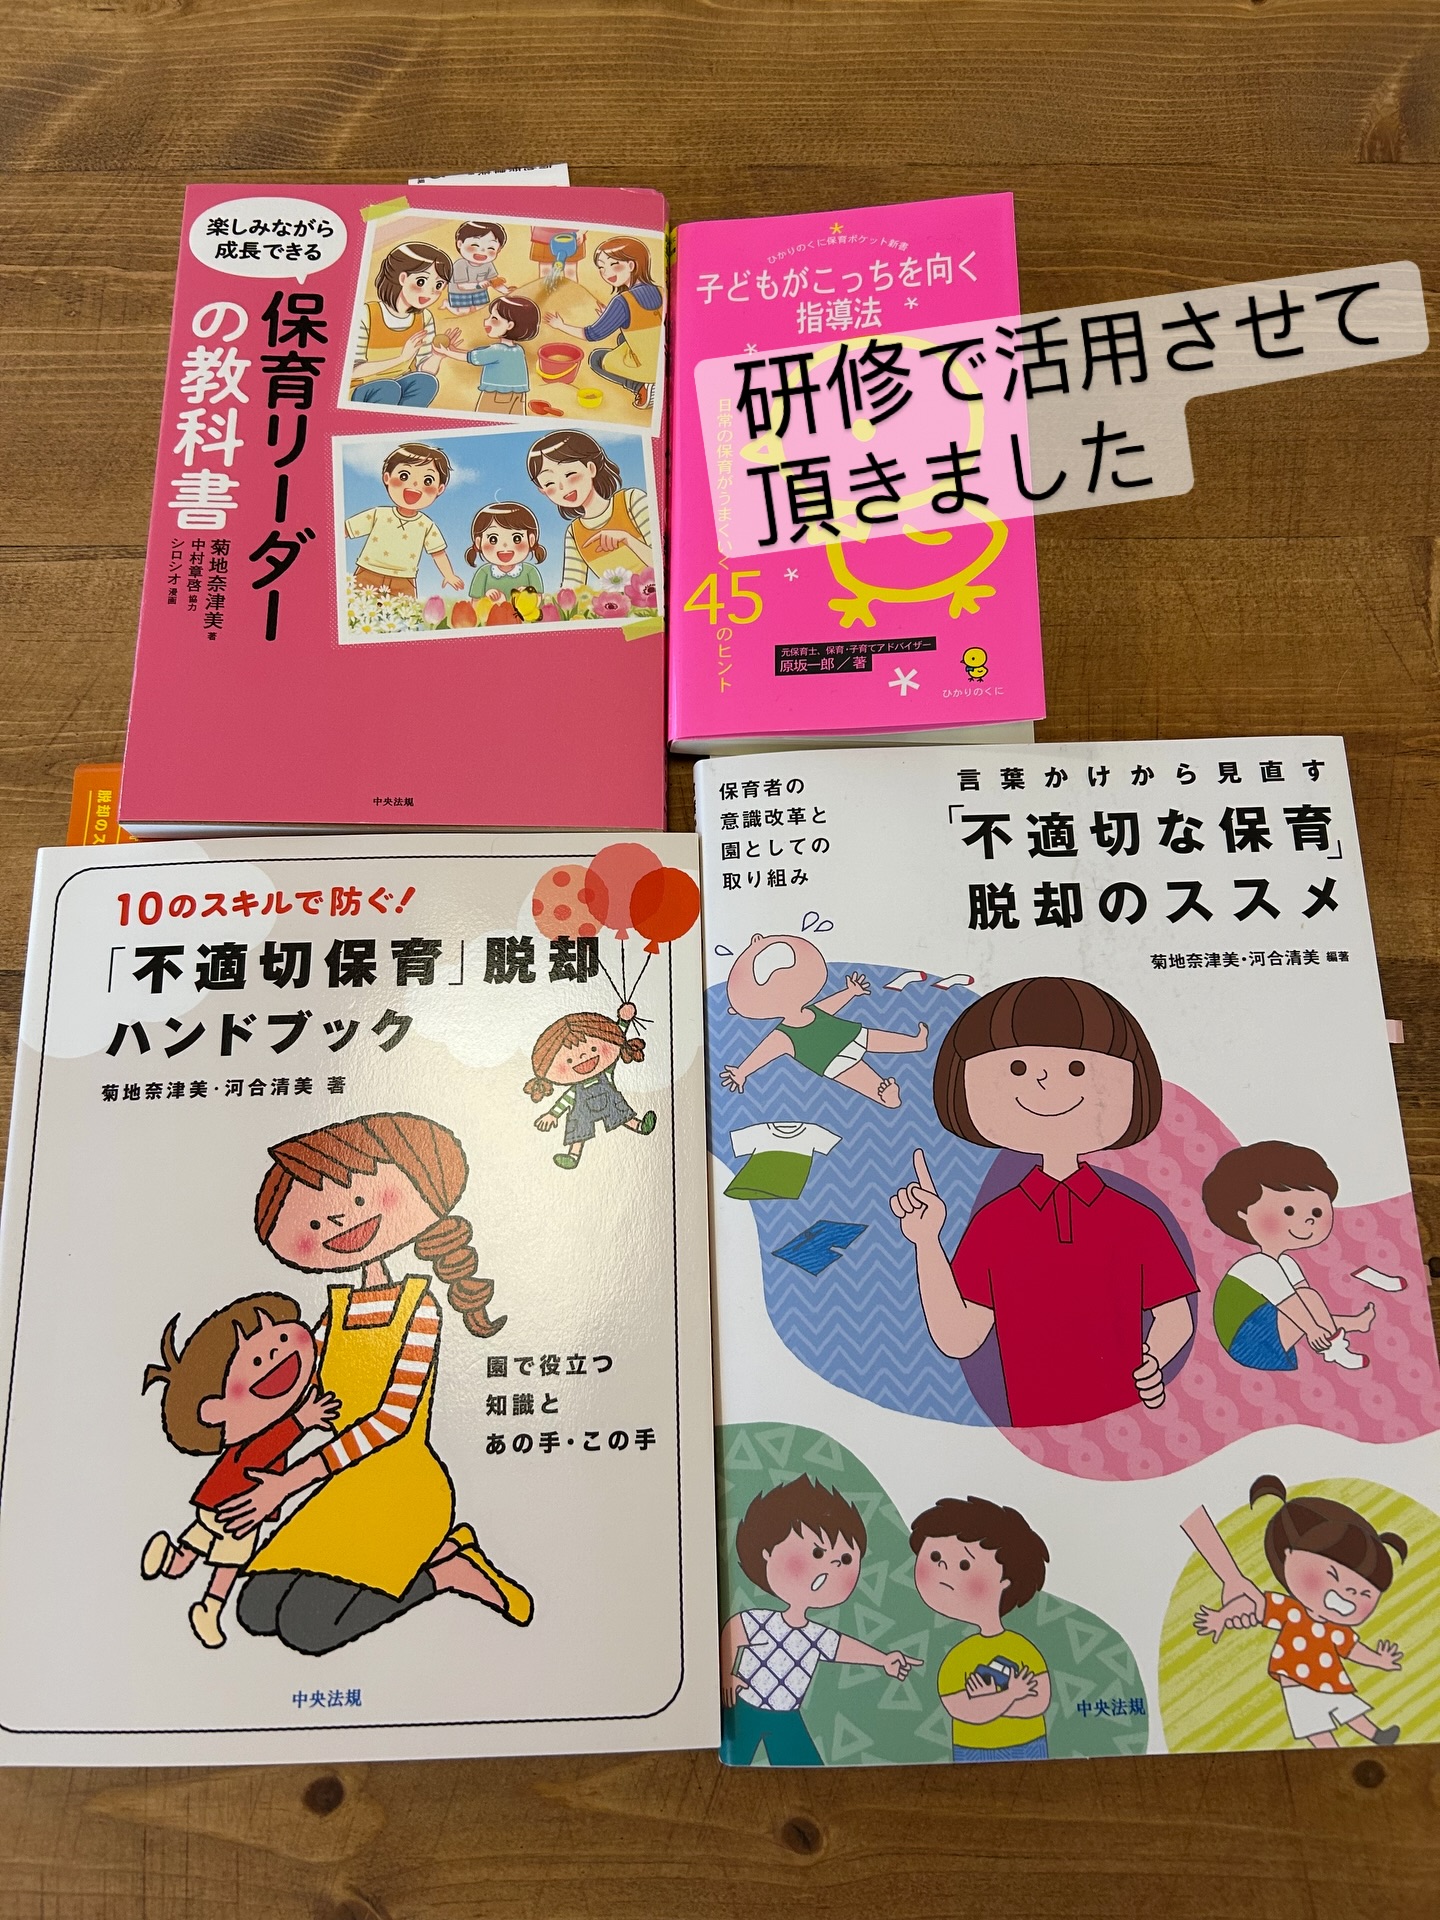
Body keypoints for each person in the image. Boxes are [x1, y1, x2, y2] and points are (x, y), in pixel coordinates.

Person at [222, 1114, 532, 1656]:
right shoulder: (333, 1315)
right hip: (342, 1484)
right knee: (254, 1611)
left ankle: (448, 1572)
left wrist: (287, 1483)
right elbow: (300, 1397)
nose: (339, 1220)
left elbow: (391, 1421)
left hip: (401, 1486)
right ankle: (440, 1557)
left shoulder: (419, 1309)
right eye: (313, 1221)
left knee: (307, 1629)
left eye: (362, 1199)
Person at [891, 976, 1198, 1427]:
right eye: (1016, 1068)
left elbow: (1175, 1316)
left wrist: (1154, 1359)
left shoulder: (1136, 1220)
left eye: (1077, 1068)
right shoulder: (995, 1223)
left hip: (1127, 1422)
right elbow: (960, 1337)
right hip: (1031, 1428)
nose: (1044, 1080)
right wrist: (926, 1242)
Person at [141, 1295, 340, 1649]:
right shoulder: (255, 1436)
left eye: (282, 1337)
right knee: (230, 1561)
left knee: (200, 1540)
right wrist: (303, 1420)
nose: (277, 1354)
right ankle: (210, 1607)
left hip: (217, 1499)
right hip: (241, 1504)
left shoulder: (273, 1409)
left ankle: (171, 1560)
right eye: (258, 1361)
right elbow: (266, 1449)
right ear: (217, 1411)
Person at [1184, 1476, 1407, 1749]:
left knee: (1351, 1711)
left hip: (1332, 1681)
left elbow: (1352, 1649)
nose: (1349, 1593)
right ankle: (1329, 1752)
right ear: (1288, 1555)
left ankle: (1377, 1736)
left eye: (1365, 1594)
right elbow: (1254, 1605)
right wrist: (1222, 1616)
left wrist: (1379, 1660)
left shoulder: (1337, 1630)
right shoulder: (1290, 1611)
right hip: (1298, 1686)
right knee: (1315, 1727)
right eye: (1333, 1574)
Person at [721, 1478, 920, 1765]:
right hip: (744, 1708)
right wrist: (726, 1674)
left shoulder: (815, 1636)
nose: (833, 1565)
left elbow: (842, 1647)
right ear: (767, 1553)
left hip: (787, 1715)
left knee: (803, 1762)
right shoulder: (759, 1621)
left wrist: (883, 1660)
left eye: (846, 1559)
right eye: (817, 1553)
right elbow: (733, 1631)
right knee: (736, 1755)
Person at [1202, 1141, 1379, 1373]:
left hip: (1264, 1327)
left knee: (1308, 1298)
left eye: (1316, 1212)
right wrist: (1313, 1332)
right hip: (1246, 1340)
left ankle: (1353, 1326)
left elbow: (1310, 1307)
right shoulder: (1258, 1265)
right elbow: (1292, 1305)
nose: (1308, 1220)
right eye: (1289, 1210)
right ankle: (1334, 1349)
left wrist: (1338, 1324)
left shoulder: (1285, 1262)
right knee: (1304, 1299)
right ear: (1243, 1212)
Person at [911, 1496, 1052, 1762]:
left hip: (1030, 1745)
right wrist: (1011, 1695)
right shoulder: (959, 1657)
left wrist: (990, 1700)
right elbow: (961, 1709)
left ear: (1005, 1581)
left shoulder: (1021, 1648)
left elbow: (1039, 1701)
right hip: (972, 1750)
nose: (943, 1568)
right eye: (936, 1557)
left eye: (964, 1564)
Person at [719, 933, 927, 1108]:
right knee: (863, 1079)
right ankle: (886, 1098)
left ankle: (916, 1043)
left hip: (850, 1035)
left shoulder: (813, 1011)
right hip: (832, 1061)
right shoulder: (782, 1036)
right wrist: (742, 1071)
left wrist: (850, 992)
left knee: (881, 1039)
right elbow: (763, 1053)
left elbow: (831, 1005)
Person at [525, 1006, 656, 1171]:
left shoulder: (605, 1073)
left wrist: (624, 1020)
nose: (583, 1057)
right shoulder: (575, 1090)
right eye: (569, 1060)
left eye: (593, 1049)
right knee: (578, 1126)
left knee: (620, 1112)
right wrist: (553, 1114)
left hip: (609, 1103)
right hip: (584, 1111)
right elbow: (566, 1100)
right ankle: (573, 1156)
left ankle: (640, 1126)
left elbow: (615, 1036)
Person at [525, 429, 653, 590]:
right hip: (617, 602)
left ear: (591, 468)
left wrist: (627, 539)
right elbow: (572, 588)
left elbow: (665, 560)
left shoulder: (632, 500)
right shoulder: (575, 532)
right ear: (542, 491)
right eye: (550, 483)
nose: (562, 487)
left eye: (569, 474)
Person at [545, 236, 663, 409]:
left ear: (631, 265)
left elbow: (591, 334)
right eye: (601, 267)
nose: (606, 273)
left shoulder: (622, 301)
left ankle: (641, 387)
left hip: (649, 368)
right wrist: (612, 316)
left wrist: (560, 325)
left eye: (614, 265)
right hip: (664, 360)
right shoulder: (661, 291)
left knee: (597, 358)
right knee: (622, 339)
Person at [344, 443, 465, 601]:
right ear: (387, 478)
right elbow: (345, 530)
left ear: (440, 489)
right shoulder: (378, 514)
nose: (414, 485)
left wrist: (449, 575)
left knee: (404, 612)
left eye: (427, 481)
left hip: (404, 581)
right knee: (358, 607)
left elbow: (438, 553)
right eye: (404, 476)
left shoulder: (426, 525)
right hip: (368, 572)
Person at [350, 241, 453, 407]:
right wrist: (402, 358)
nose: (431, 292)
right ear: (403, 278)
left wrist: (437, 356)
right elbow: (352, 371)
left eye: (439, 285)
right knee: (388, 388)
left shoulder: (424, 317)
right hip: (362, 387)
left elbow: (424, 370)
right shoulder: (367, 314)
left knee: (426, 382)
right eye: (421, 281)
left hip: (400, 384)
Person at [433, 294, 540, 414]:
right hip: (518, 395)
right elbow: (476, 354)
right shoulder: (518, 350)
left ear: (510, 325)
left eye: (494, 319)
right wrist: (454, 350)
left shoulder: (497, 350)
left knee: (486, 420)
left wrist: (447, 352)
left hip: (497, 395)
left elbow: (471, 357)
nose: (486, 321)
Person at [465, 502, 547, 607]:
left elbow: (539, 599)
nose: (505, 545)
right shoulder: (483, 573)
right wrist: (487, 599)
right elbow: (475, 604)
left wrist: (527, 596)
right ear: (478, 542)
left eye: (517, 538)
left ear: (531, 540)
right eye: (493, 539)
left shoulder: (530, 571)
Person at [446, 219, 508, 314]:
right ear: (460, 244)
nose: (482, 251)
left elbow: (494, 281)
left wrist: (505, 291)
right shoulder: (460, 264)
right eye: (475, 245)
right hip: (459, 293)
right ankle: (447, 304)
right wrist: (478, 285)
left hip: (479, 292)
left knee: (480, 310)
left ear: (498, 250)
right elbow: (461, 286)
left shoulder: (488, 264)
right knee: (463, 312)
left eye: (491, 248)